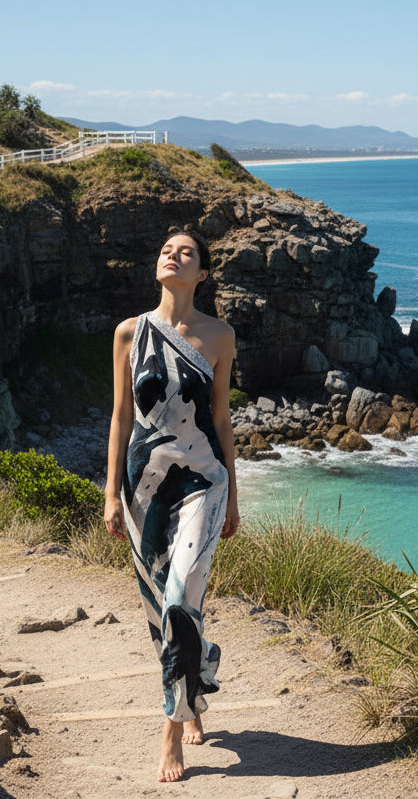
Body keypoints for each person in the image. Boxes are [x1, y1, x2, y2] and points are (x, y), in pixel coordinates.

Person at [103, 228, 241, 782]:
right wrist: (110, 493)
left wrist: (235, 497)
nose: (172, 255)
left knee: (182, 598)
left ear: (201, 273)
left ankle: (170, 733)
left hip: (204, 483)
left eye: (186, 252)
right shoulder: (129, 333)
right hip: (144, 488)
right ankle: (196, 679)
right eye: (166, 249)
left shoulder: (220, 335)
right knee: (161, 609)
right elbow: (119, 417)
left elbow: (222, 418)